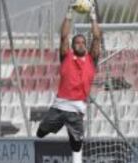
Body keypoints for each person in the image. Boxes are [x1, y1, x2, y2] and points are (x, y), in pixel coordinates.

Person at [36, 3, 101, 152]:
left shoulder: (91, 60)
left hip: (76, 110)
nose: (81, 45)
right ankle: (57, 124)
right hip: (59, 106)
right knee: (40, 133)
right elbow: (64, 36)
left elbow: (97, 38)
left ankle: (71, 131)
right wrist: (69, 13)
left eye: (83, 42)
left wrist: (92, 16)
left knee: (77, 147)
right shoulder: (66, 57)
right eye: (77, 43)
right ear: (72, 46)